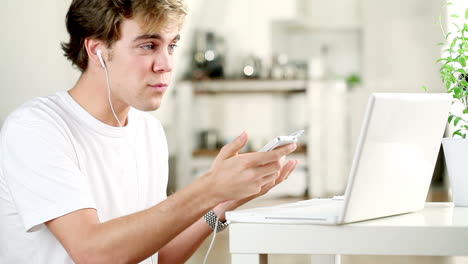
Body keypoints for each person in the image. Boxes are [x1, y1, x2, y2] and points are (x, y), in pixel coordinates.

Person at [0, 0, 299, 263]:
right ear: (97, 51)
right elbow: (94, 253)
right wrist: (208, 187)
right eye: (148, 45)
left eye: (171, 45)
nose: (166, 64)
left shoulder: (149, 131)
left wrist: (220, 204)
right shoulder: (36, 128)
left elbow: (155, 256)